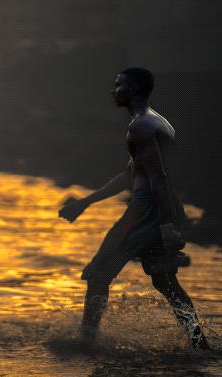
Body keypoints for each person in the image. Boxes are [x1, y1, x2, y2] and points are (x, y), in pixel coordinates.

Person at [58, 67, 209, 349]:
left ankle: (86, 342)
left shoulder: (140, 126)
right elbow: (131, 176)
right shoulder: (157, 123)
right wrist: (85, 203)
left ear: (134, 90)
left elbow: (157, 178)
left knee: (98, 273)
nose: (113, 91)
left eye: (119, 86)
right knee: (165, 281)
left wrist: (164, 225)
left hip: (146, 210)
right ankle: (200, 345)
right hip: (162, 207)